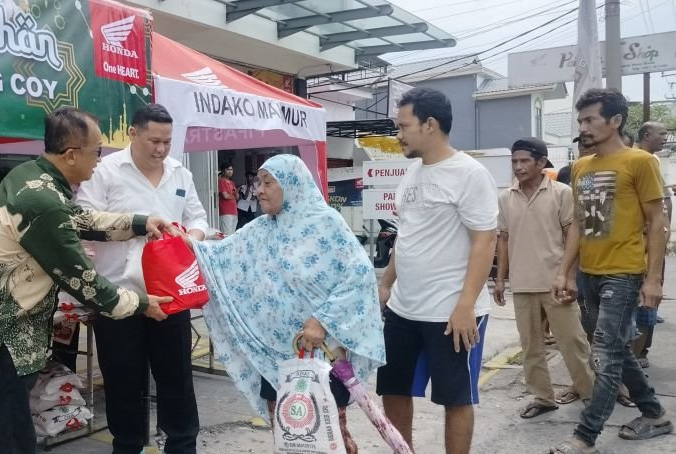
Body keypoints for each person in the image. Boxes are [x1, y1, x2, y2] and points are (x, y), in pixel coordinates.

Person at [0, 107, 175, 454]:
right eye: (96, 150)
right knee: (10, 441)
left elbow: (79, 219)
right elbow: (86, 282)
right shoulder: (43, 202)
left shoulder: (31, 176)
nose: (100, 159)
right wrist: (142, 303)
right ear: (70, 154)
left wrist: (140, 222)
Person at [189, 154, 385, 454]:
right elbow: (218, 257)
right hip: (277, 359)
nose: (260, 190)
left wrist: (321, 321)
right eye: (258, 183)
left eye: (269, 183)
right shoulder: (262, 228)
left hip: (323, 355)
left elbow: (359, 276)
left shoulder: (326, 224)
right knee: (292, 437)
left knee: (330, 437)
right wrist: (180, 238)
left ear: (293, 185)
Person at [77, 104, 208, 454]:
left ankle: (182, 446)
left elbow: (199, 218)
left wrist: (189, 237)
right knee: (123, 384)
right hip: (121, 299)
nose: (161, 150)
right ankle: (128, 446)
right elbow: (85, 223)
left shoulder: (180, 173)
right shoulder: (105, 172)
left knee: (177, 380)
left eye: (167, 142)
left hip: (171, 298)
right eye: (154, 141)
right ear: (132, 134)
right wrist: (136, 228)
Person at [550, 88, 673, 454]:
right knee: (615, 348)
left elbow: (658, 222)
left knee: (603, 354)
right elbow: (578, 225)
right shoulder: (582, 168)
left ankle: (585, 437)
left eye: (590, 119)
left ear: (616, 120)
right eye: (581, 120)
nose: (583, 127)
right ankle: (654, 413)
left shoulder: (640, 162)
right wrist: (565, 271)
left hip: (624, 272)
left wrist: (652, 280)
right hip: (589, 272)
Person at [376, 87, 498, 454]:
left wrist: (465, 305)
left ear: (430, 125)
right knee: (393, 389)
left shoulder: (469, 174)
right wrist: (386, 285)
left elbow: (485, 241)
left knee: (455, 398)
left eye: (403, 126)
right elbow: (406, 236)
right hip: (404, 308)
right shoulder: (412, 173)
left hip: (450, 313)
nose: (398, 135)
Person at [493, 137, 594, 419]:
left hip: (556, 283)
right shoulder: (505, 197)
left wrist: (569, 277)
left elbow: (572, 236)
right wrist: (501, 279)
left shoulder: (561, 193)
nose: (518, 167)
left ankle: (591, 396)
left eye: (525, 161)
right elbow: (503, 240)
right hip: (522, 284)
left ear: (541, 163)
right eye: (514, 161)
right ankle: (543, 397)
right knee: (530, 347)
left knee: (573, 344)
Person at [634, 121, 673, 368]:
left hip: (654, 243)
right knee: (640, 304)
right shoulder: (640, 161)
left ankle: (640, 352)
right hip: (638, 249)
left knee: (648, 302)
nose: (665, 139)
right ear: (647, 135)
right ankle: (635, 355)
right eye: (662, 134)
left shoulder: (652, 161)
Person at [218, 162, 239, 234]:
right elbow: (225, 196)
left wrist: (234, 195)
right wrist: (234, 195)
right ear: (223, 171)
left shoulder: (231, 182)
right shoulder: (221, 181)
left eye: (231, 169)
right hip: (225, 211)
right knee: (226, 234)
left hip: (234, 211)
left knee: (232, 233)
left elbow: (237, 196)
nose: (230, 171)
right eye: (228, 169)